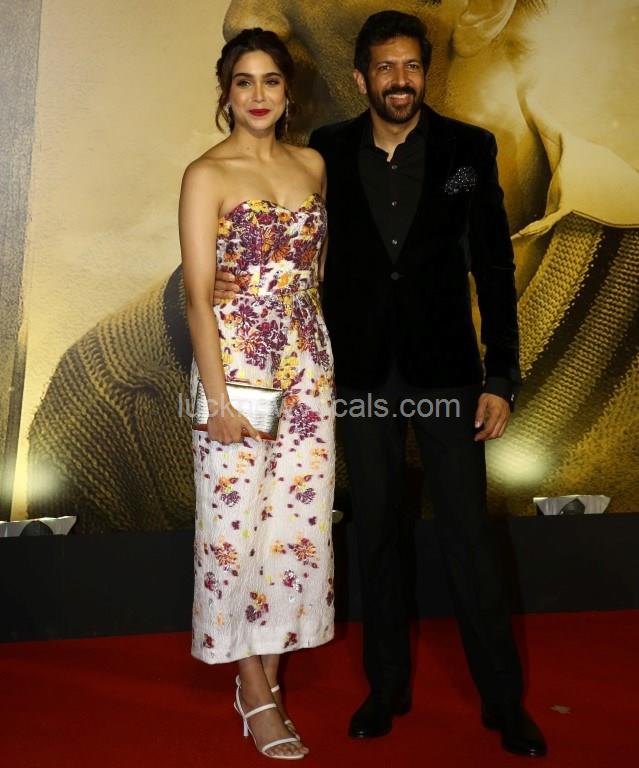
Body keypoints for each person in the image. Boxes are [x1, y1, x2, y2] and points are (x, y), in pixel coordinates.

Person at [27, 0, 639, 533]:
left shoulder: (473, 168)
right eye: (245, 80)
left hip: (410, 391)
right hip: (327, 389)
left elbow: (480, 264)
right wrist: (221, 286)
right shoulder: (112, 392)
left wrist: (500, 377)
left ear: (483, 6)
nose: (241, 17)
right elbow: (309, 256)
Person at [214, 11, 546, 758]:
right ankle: (386, 688)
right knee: (376, 534)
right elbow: (284, 240)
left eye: (412, 67)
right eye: (386, 69)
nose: (401, 81)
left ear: (425, 72)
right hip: (357, 375)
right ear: (361, 78)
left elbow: (493, 266)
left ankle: (503, 703)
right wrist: (221, 277)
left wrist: (500, 374)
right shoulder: (325, 152)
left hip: (447, 377)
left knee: (468, 538)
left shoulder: (466, 152)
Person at [179, 27, 335, 760]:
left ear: (287, 90)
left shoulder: (313, 165)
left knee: (294, 528)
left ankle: (266, 679)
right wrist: (217, 403)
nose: (259, 95)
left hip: (308, 366)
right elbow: (196, 298)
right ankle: (251, 685)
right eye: (244, 81)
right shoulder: (205, 174)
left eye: (270, 80)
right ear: (226, 92)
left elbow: (315, 273)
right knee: (231, 527)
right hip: (235, 367)